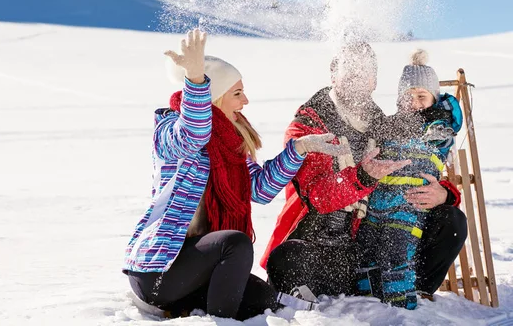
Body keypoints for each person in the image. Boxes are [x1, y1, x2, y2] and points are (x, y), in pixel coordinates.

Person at [122, 29, 347, 320]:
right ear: (213, 98)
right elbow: (194, 133)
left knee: (263, 298)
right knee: (235, 243)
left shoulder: (230, 148)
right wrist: (196, 80)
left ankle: (189, 308)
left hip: (198, 265)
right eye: (237, 93)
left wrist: (300, 149)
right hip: (159, 271)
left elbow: (261, 189)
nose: (246, 101)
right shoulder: (170, 132)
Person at [261, 42, 467, 305]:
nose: (358, 80)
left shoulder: (380, 123)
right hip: (316, 243)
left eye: (366, 72)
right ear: (334, 74)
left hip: (360, 246)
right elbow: (319, 196)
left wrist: (445, 194)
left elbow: (419, 162)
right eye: (352, 71)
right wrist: (363, 177)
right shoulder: (310, 124)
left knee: (450, 220)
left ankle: (416, 294)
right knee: (288, 259)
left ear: (374, 82)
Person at [356, 49, 463, 309]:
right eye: (408, 96)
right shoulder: (390, 125)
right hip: (378, 204)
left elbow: (440, 133)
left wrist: (434, 120)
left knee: (397, 249)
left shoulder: (438, 128)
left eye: (421, 96)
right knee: (366, 250)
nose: (413, 102)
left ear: (434, 99)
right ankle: (364, 301)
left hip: (410, 204)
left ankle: (403, 304)